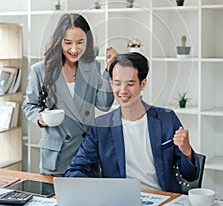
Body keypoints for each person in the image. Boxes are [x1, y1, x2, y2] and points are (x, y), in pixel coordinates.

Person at [65, 52, 200, 193]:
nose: (123, 91)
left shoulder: (167, 119)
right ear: (111, 83)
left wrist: (187, 151)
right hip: (119, 202)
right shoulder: (101, 127)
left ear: (143, 84)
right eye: (117, 83)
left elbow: (190, 175)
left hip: (162, 200)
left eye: (130, 84)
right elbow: (76, 168)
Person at [23, 13, 118, 176]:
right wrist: (39, 117)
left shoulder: (92, 67)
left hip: (85, 154)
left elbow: (103, 104)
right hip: (56, 157)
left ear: (87, 42)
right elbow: (29, 105)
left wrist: (110, 70)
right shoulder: (40, 70)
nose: (74, 49)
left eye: (80, 42)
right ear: (59, 41)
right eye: (68, 43)